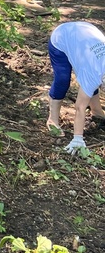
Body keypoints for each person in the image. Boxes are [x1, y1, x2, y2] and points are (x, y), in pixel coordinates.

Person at [47, 21, 105, 155]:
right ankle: (52, 119)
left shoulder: (95, 73)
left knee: (89, 82)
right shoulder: (93, 73)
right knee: (63, 80)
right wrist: (78, 138)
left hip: (85, 33)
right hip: (61, 38)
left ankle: (97, 111)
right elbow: (80, 107)